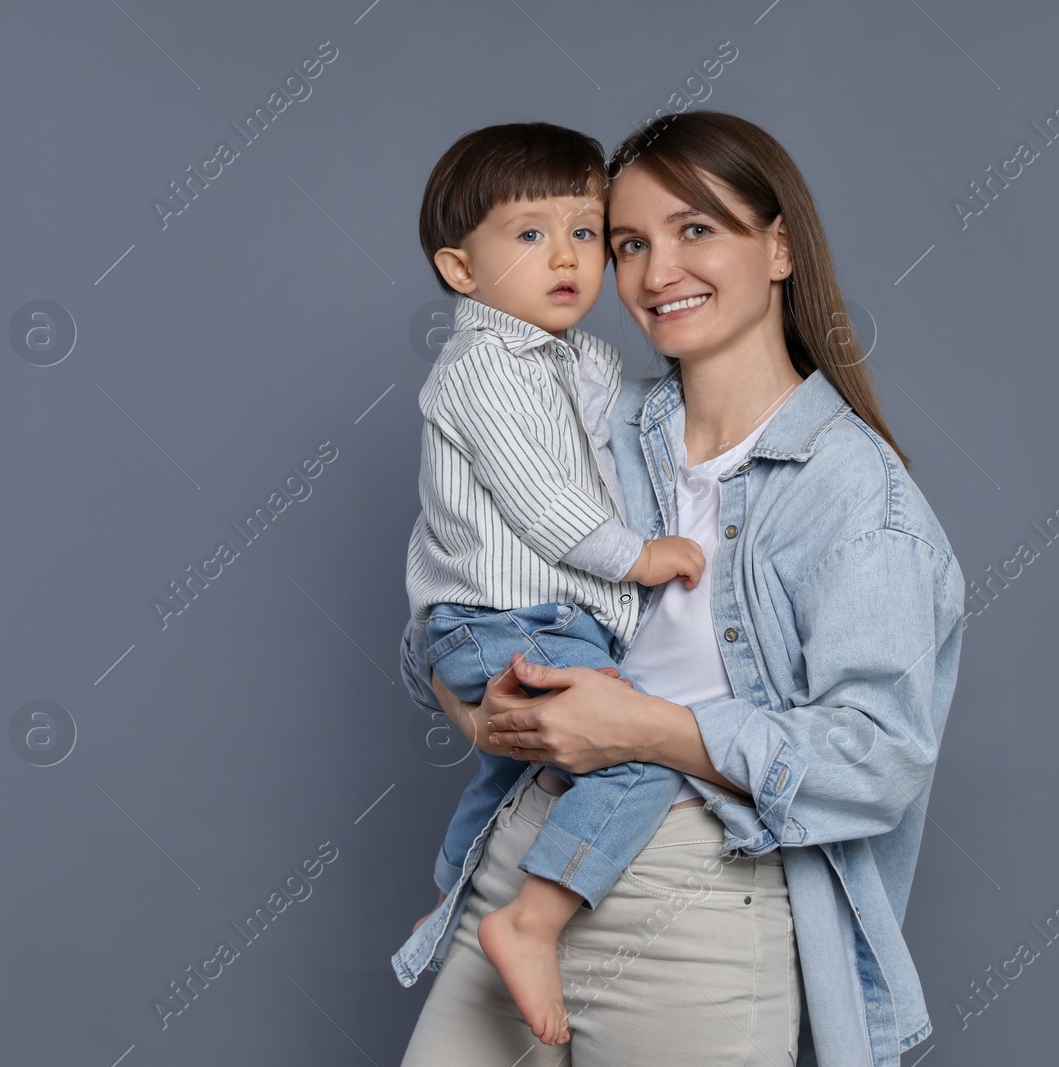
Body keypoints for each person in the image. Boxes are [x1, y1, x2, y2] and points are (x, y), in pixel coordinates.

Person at [395, 110, 966, 1066]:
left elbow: (879, 760)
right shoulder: (589, 417)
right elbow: (450, 588)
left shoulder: (855, 495)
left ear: (778, 246)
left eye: (696, 229)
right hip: (521, 863)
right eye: (628, 243)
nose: (658, 273)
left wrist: (646, 731)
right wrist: (480, 718)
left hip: (698, 902)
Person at [394, 121, 710, 1045]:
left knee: (507, 782)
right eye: (530, 235)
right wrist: (642, 558)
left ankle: (450, 906)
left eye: (585, 230)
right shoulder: (485, 367)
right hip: (506, 616)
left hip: (529, 618)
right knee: (636, 751)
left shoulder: (588, 361)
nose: (567, 256)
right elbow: (548, 506)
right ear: (461, 270)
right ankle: (528, 922)